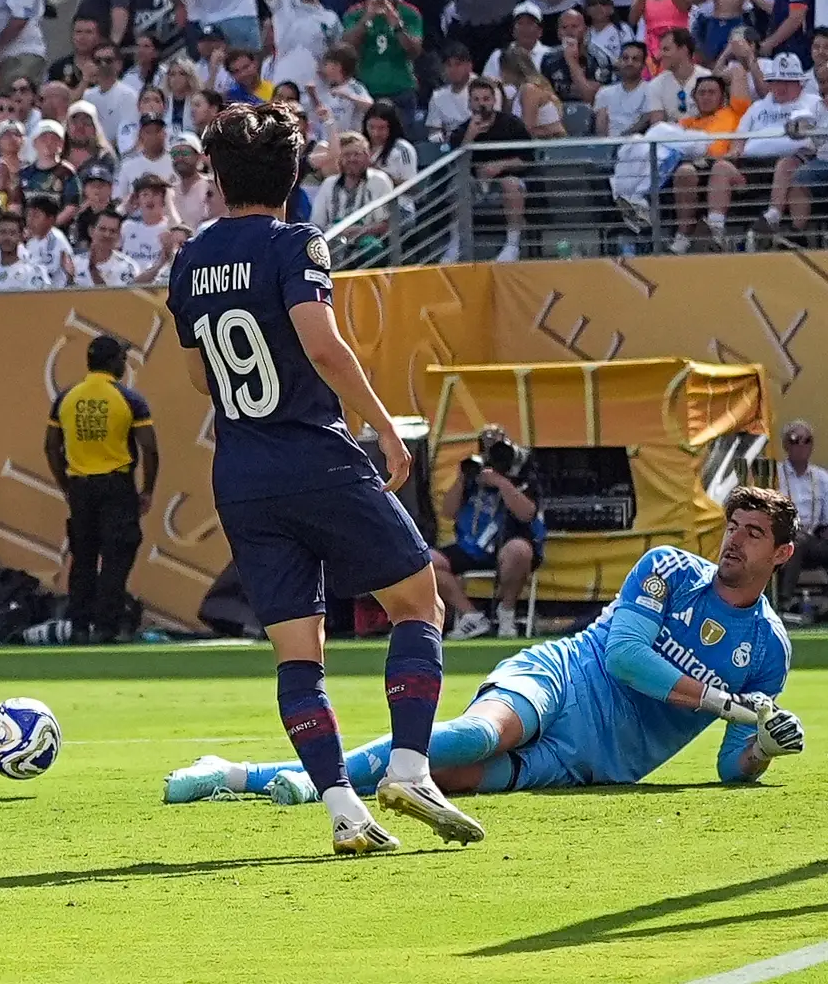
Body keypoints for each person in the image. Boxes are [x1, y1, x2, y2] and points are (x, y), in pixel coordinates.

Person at [163, 102, 479, 856]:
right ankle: (407, 767)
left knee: (297, 652)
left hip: (239, 471)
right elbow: (323, 344)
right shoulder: (294, 242)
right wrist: (377, 423)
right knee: (416, 601)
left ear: (215, 173)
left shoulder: (190, 258)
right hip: (313, 454)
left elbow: (200, 381)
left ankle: (343, 810)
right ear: (294, 172)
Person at [170, 488, 801, 803]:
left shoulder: (769, 650)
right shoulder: (669, 569)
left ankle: (278, 781)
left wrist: (761, 750)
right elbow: (624, 656)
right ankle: (244, 775)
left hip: (594, 762)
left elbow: (729, 767)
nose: (735, 542)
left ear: (781, 554)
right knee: (477, 736)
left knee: (461, 777)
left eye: (754, 534)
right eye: (733, 527)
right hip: (564, 677)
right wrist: (722, 702)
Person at [45, 337, 158, 645]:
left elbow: (51, 447)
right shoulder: (129, 400)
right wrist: (147, 490)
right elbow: (149, 448)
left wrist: (66, 485)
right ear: (113, 363)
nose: (124, 363)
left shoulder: (67, 398)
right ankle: (106, 627)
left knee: (82, 557)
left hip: (80, 488)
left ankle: (79, 624)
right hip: (116, 486)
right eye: (122, 358)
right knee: (116, 556)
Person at [433, 426, 546, 640]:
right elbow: (448, 512)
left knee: (519, 550)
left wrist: (501, 483)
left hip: (510, 543)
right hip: (472, 546)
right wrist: (462, 478)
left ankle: (507, 612)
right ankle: (471, 616)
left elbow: (527, 514)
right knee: (425, 563)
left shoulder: (523, 475)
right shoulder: (473, 475)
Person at [774, 421, 828, 608]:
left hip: (812, 538)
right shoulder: (776, 474)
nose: (801, 445)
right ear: (786, 445)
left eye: (807, 440)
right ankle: (784, 602)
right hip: (782, 537)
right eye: (795, 440)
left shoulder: (821, 477)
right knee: (795, 544)